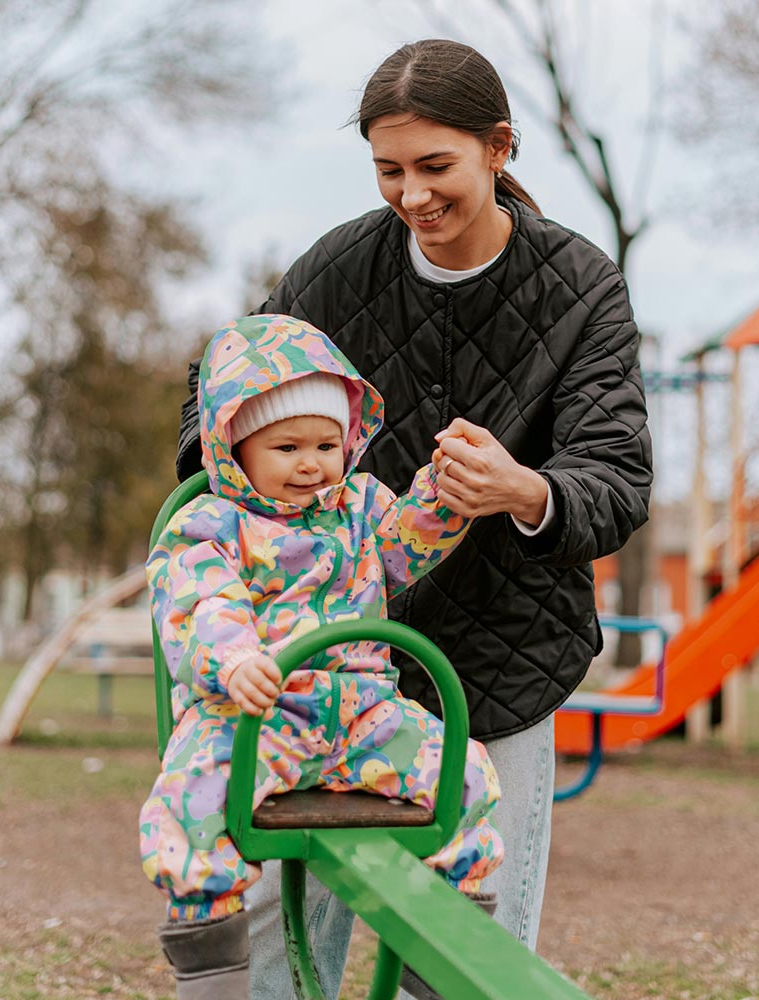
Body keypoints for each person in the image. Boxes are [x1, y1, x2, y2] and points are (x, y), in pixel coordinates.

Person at [175, 38, 652, 1000]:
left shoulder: (581, 287)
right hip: (319, 653)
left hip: (505, 655)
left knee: (471, 944)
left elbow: (616, 478)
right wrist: (253, 489)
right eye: (389, 171)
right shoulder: (341, 270)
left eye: (436, 167)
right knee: (279, 922)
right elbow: (217, 385)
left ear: (499, 148)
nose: (412, 195)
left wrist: (526, 489)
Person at [144, 313, 503, 999]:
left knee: (468, 779)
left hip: (365, 717)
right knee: (188, 800)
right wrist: (235, 660)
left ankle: (442, 964)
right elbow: (198, 603)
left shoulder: (362, 509)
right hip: (255, 718)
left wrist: (441, 492)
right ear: (235, 449)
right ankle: (213, 974)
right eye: (285, 446)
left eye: (326, 444)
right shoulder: (212, 526)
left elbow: (407, 545)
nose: (310, 463)